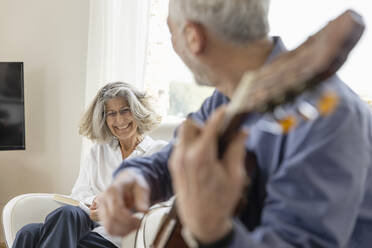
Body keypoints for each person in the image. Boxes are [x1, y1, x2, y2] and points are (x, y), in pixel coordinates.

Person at [99, 1, 372, 248]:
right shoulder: (226, 99)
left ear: (193, 37)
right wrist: (132, 177)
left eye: (171, 30)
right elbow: (170, 158)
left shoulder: (329, 119)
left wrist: (215, 232)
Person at [12, 82, 168, 248]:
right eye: (111, 113)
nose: (119, 120)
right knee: (31, 230)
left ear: (138, 112)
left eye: (125, 111)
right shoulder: (98, 152)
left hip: (118, 236)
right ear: (103, 119)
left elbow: (164, 206)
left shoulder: (159, 152)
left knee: (32, 235)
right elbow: (78, 194)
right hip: (84, 224)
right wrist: (96, 200)